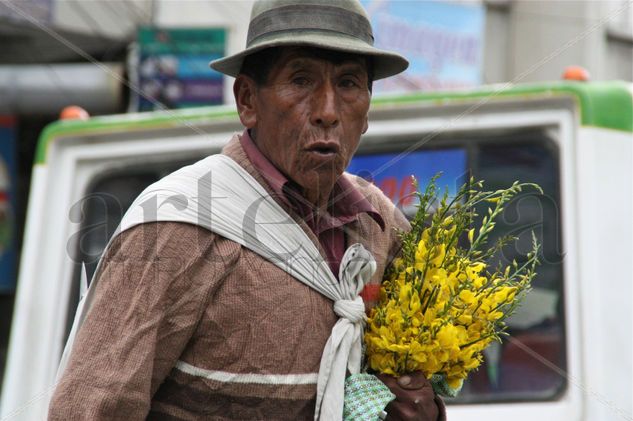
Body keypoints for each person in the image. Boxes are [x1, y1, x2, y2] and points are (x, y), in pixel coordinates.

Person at [49, 1, 446, 420]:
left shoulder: (380, 228)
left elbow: (412, 381)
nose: (328, 112)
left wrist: (421, 408)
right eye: (300, 80)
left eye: (348, 84)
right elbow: (91, 409)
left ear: (367, 110)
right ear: (247, 100)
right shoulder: (177, 228)